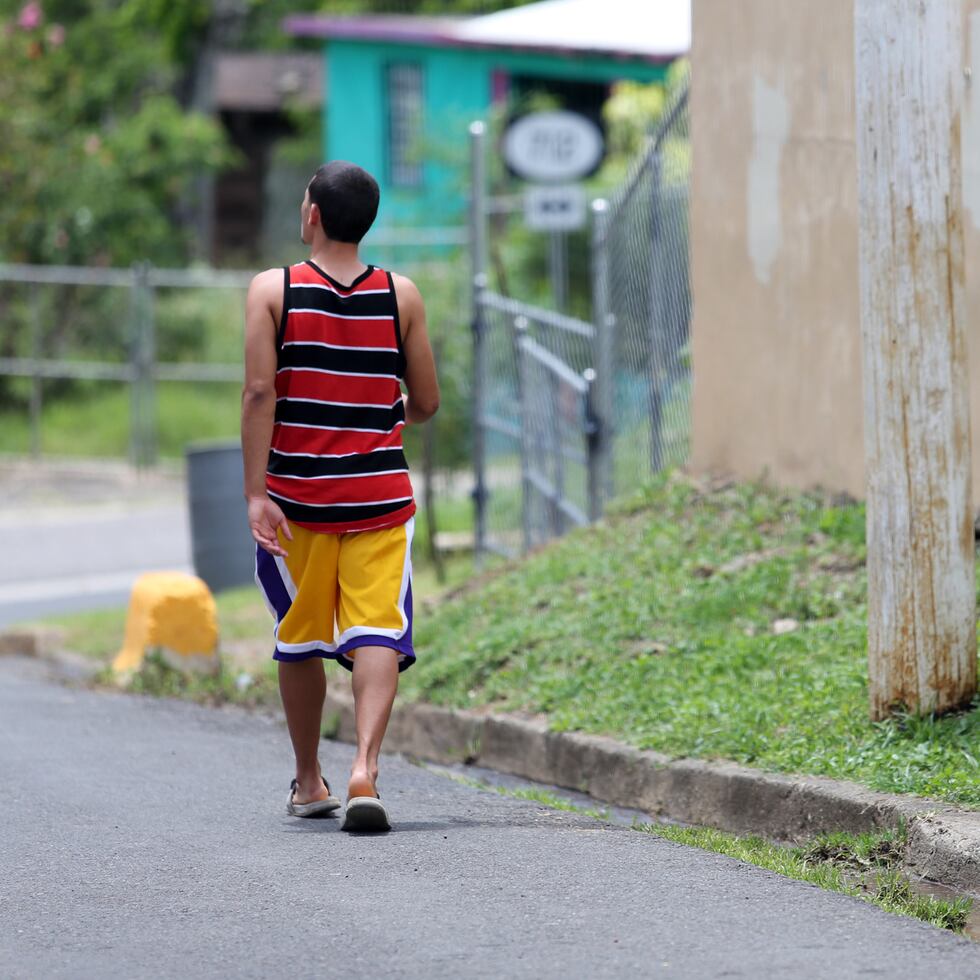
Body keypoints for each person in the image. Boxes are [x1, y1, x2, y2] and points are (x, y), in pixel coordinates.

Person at [241, 161, 439, 832]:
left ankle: (307, 779)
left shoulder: (275, 290)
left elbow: (259, 393)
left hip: (297, 503)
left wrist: (254, 493)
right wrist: (385, 414)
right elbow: (428, 403)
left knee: (299, 638)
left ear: (312, 215)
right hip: (380, 498)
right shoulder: (400, 295)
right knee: (379, 627)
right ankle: (364, 770)